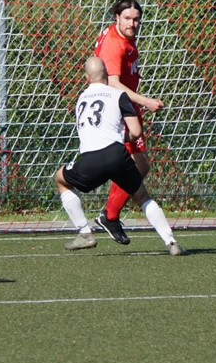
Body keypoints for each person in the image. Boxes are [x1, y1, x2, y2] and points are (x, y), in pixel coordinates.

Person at [57, 56, 185, 256]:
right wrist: (119, 137)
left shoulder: (81, 99)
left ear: (86, 78)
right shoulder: (119, 95)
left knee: (60, 179)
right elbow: (136, 132)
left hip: (90, 160)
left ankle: (85, 233)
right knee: (142, 196)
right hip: (117, 156)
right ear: (107, 75)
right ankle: (171, 242)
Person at [92, 0, 164, 246]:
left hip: (124, 106)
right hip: (118, 108)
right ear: (116, 18)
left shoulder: (122, 36)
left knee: (139, 165)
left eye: (136, 19)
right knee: (136, 165)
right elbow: (113, 83)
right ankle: (109, 216)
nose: (132, 24)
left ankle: (110, 215)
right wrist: (146, 101)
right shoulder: (115, 43)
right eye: (127, 19)